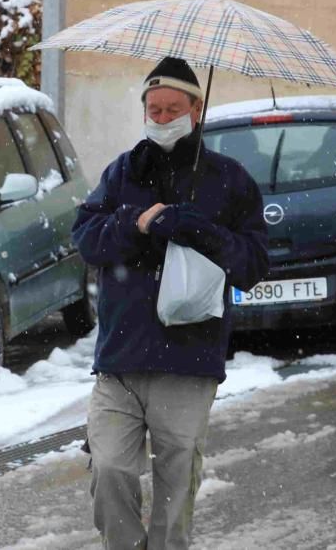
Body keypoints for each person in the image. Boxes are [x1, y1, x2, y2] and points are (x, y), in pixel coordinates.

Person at [72, 57, 269, 549]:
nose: (161, 119)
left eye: (171, 109)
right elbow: (86, 239)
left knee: (176, 484)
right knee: (112, 468)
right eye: (153, 109)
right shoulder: (122, 172)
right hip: (120, 357)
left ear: (196, 111)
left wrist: (204, 232)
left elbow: (254, 264)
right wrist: (135, 224)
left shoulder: (228, 179)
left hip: (189, 359)